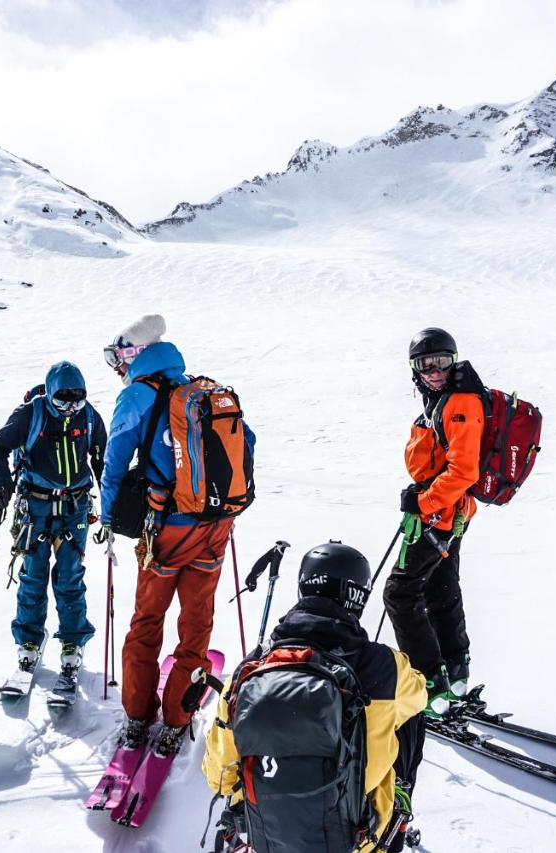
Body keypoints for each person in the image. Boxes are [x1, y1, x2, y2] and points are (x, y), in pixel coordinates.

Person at [96, 317, 256, 756]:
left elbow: (114, 465)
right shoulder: (203, 390)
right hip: (215, 528)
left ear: (134, 354)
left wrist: (109, 519)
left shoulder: (137, 394)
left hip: (165, 531)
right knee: (196, 623)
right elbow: (248, 444)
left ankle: (137, 716)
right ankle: (177, 719)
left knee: (147, 622)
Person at [202, 542, 426, 853]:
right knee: (411, 721)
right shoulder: (385, 667)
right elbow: (419, 698)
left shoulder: (253, 668)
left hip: (268, 836)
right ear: (358, 596)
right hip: (356, 840)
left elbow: (220, 777)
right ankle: (399, 798)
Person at [383, 327, 486, 716]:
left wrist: (421, 503)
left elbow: (464, 472)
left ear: (454, 361)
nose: (435, 371)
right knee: (439, 587)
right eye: (426, 364)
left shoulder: (459, 403)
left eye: (442, 362)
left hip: (440, 514)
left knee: (400, 592)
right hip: (445, 511)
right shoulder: (442, 401)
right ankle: (453, 673)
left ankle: (426, 681)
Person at [0, 360, 107, 675]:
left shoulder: (90, 417)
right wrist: (1, 483)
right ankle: (28, 639)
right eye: (62, 400)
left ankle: (72, 640)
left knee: (70, 576)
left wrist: (112, 500)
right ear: (50, 393)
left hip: (75, 506)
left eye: (77, 399)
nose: (70, 407)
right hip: (35, 505)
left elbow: (102, 461)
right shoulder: (30, 414)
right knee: (33, 575)